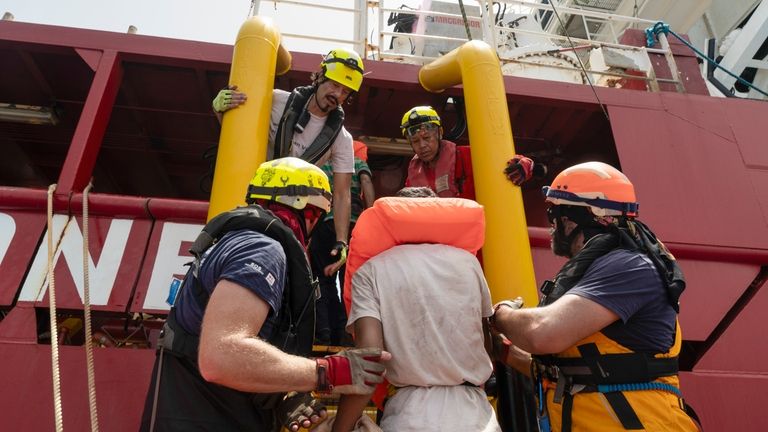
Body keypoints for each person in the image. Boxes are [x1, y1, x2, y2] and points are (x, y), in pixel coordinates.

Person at [141, 157, 390, 432]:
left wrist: (281, 393)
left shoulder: (236, 243)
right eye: (314, 217)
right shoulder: (261, 250)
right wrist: (328, 371)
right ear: (304, 210)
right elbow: (221, 357)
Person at [489, 162, 699, 432]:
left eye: (555, 211)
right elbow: (569, 371)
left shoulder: (630, 268)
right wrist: (501, 349)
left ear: (584, 215)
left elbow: (542, 334)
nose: (551, 223)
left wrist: (501, 314)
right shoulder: (600, 271)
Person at [331, 187, 502, 432]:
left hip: (409, 416)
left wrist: (341, 428)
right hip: (476, 414)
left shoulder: (370, 272)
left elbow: (369, 359)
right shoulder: (469, 263)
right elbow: (485, 344)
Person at [213, 48, 365, 279]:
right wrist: (219, 109)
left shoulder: (341, 139)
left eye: (345, 92)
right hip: (247, 197)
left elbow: (343, 194)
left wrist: (342, 241)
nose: (337, 94)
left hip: (290, 214)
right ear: (320, 76)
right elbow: (237, 134)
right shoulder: (274, 101)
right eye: (334, 85)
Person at [310, 141, 375, 346]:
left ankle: (324, 331)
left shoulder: (319, 166)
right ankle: (349, 335)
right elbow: (366, 182)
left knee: (322, 281)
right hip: (353, 227)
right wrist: (372, 213)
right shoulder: (356, 162)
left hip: (324, 227)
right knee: (352, 284)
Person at [400, 105, 544, 198]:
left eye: (426, 138)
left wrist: (524, 165)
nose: (422, 145)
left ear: (440, 133)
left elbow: (509, 161)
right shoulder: (413, 176)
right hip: (435, 238)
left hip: (470, 235)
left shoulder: (466, 156)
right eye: (416, 141)